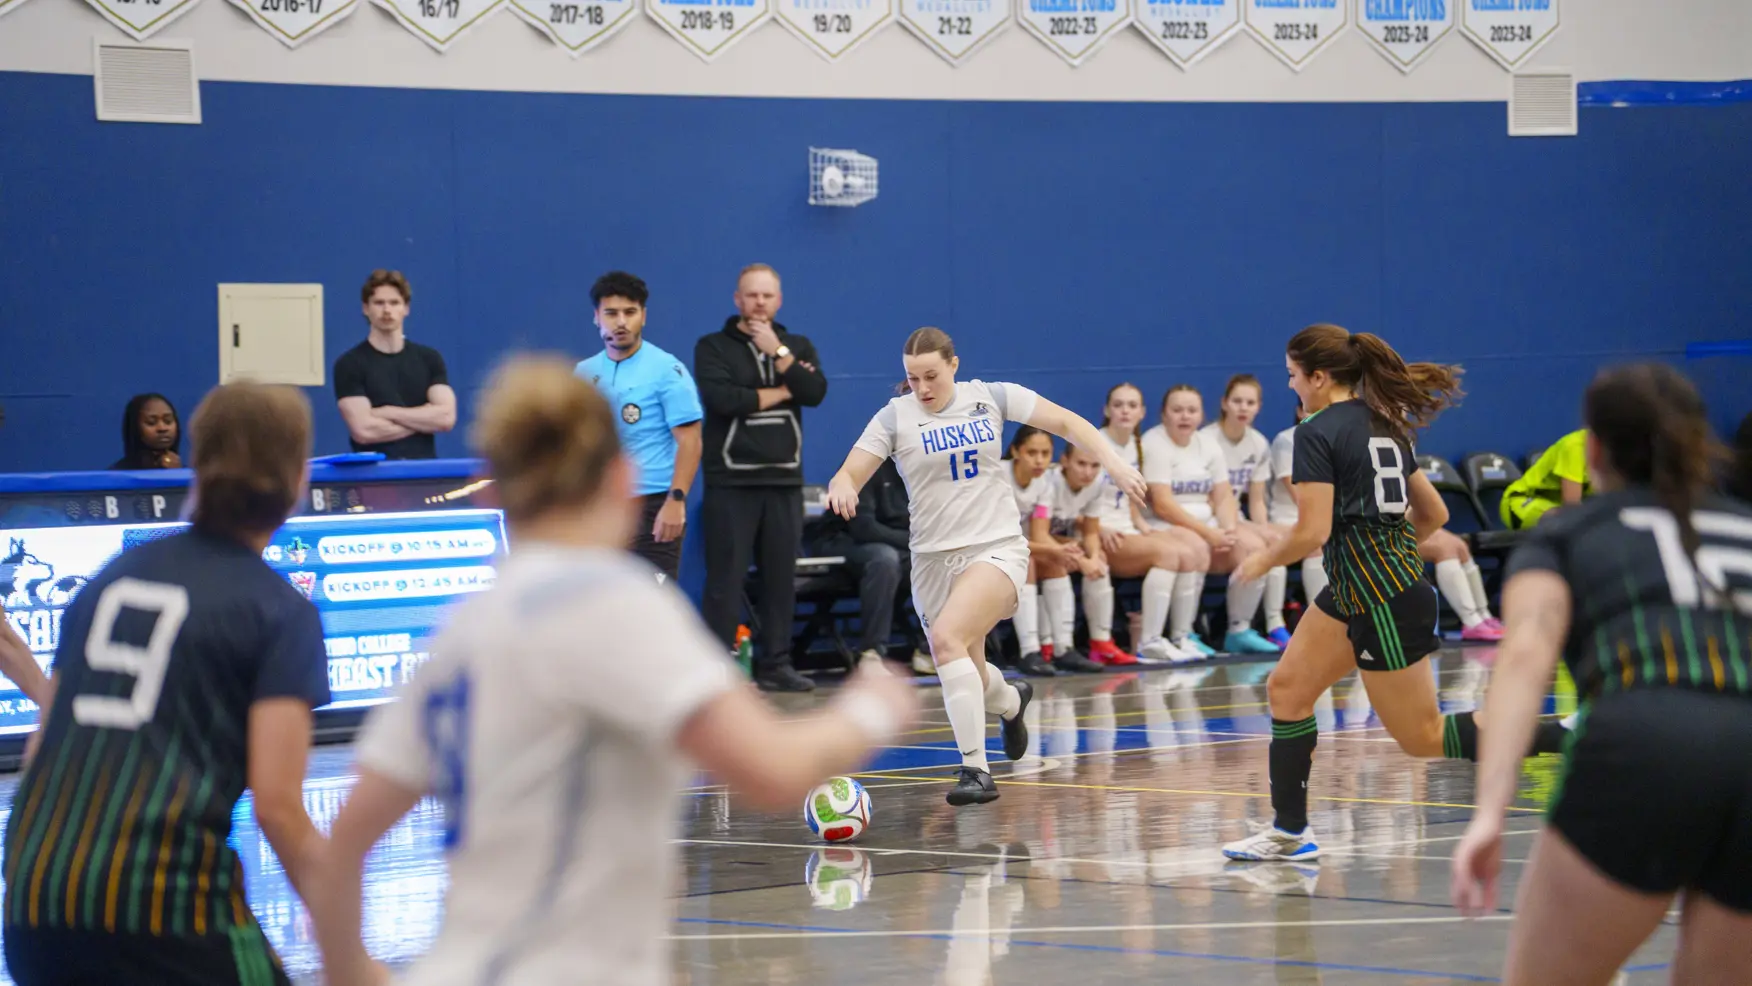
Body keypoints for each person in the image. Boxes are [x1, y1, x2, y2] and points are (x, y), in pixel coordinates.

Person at [306, 356, 917, 986]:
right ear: (621, 476)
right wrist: (871, 707)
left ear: (491, 488)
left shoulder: (463, 629)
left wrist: (357, 974)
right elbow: (772, 772)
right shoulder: (612, 601)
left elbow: (342, 845)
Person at [3, 382, 329, 986]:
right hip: (159, 910)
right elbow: (280, 812)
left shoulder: (109, 580)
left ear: (197, 467)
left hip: (33, 901)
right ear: (298, 477)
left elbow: (40, 751)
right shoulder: (280, 610)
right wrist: (347, 947)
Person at [1452, 364, 1752, 986]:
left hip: (1646, 744)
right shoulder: (1744, 530)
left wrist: (1490, 811)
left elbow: (1526, 655)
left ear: (1592, 449)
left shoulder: (1569, 529)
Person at [1222, 323, 1568, 862]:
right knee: (1287, 691)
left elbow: (1311, 533)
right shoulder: (1385, 424)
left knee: (1422, 737)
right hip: (1357, 591)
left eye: (1292, 376)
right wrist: (1393, 552)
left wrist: (1262, 559)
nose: (1290, 387)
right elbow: (1435, 514)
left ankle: (1564, 733)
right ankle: (1289, 833)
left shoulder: (1315, 433)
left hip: (1381, 598)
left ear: (1318, 376)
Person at [825, 327, 1148, 806]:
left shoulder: (992, 397)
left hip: (995, 547)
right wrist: (843, 484)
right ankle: (1011, 702)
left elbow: (1067, 423)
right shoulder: (895, 417)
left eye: (931, 375)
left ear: (954, 364)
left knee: (948, 639)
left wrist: (1115, 463)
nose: (923, 387)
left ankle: (975, 770)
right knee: (967, 671)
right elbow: (850, 468)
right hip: (933, 559)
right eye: (912, 378)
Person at [694, 264, 828, 692]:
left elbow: (815, 392)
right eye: (751, 296)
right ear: (737, 299)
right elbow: (723, 400)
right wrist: (784, 390)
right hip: (730, 482)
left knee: (779, 581)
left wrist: (779, 355)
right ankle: (718, 671)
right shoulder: (712, 347)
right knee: (725, 582)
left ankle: (776, 665)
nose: (759, 303)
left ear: (779, 299)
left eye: (767, 296)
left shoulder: (797, 345)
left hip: (784, 480)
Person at [573, 271, 703, 583]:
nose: (621, 322)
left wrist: (676, 501)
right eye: (611, 313)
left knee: (652, 604)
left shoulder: (667, 370)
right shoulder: (583, 373)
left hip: (654, 509)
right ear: (596, 317)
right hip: (601, 506)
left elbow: (691, 441)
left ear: (643, 316)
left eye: (630, 313)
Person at [1143, 385, 1279, 655]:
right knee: (1195, 548)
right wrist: (1208, 533)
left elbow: (1224, 495)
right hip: (1167, 525)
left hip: (1208, 526)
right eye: (1177, 410)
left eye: (1191, 410)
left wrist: (1228, 529)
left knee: (1255, 548)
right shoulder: (1153, 443)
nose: (1185, 416)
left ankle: (1239, 630)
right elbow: (1163, 504)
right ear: (1164, 414)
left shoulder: (1207, 444)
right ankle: (1184, 634)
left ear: (1201, 414)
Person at [1095, 384, 1203, 664]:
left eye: (1132, 405)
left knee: (1189, 552)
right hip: (1100, 533)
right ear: (1106, 410)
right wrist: (1098, 528)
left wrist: (1140, 523)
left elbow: (1129, 492)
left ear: (1142, 412)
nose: (1125, 411)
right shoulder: (1094, 442)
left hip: (1126, 528)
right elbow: (1076, 494)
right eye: (1118, 404)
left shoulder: (1135, 445)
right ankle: (1149, 641)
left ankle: (1182, 636)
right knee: (1168, 554)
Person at [1200, 375, 1292, 647]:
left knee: (1278, 541)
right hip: (1208, 516)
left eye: (1250, 402)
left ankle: (1274, 623)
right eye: (1237, 401)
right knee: (1260, 547)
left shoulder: (1258, 443)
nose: (1243, 408)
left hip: (1235, 516)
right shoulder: (1206, 439)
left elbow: (1256, 500)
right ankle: (1238, 627)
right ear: (1224, 403)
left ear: (1258, 407)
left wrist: (1263, 528)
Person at [1032, 442, 1138, 669]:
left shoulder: (1097, 484)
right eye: (1081, 464)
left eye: (1094, 466)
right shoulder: (1049, 483)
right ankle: (1049, 644)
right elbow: (1039, 534)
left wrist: (1092, 558)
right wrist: (1081, 560)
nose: (1088, 472)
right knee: (1061, 560)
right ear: (1065, 461)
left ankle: (1101, 642)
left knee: (1099, 562)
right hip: (1031, 539)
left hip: (1054, 539)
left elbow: (1090, 531)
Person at [333, 269, 456, 460]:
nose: (387, 310)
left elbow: (446, 418)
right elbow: (364, 430)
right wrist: (423, 419)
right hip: (373, 479)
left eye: (394, 302)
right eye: (379, 303)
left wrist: (388, 412)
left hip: (424, 476)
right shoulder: (349, 364)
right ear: (366, 308)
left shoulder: (429, 359)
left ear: (406, 308)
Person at [808, 457, 915, 675]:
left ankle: (929, 647)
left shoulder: (925, 468)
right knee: (883, 560)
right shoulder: (866, 463)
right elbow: (864, 528)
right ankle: (871, 654)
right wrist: (916, 541)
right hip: (841, 540)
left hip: (895, 544)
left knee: (941, 559)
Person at [1003, 427, 1089, 675]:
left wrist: (1066, 554)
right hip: (988, 544)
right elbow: (1002, 535)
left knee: (1055, 562)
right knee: (1027, 561)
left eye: (1045, 453)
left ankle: (1063, 648)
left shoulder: (1044, 482)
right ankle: (1029, 651)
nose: (1040, 460)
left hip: (1019, 544)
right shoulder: (999, 476)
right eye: (1032, 452)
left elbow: (1040, 534)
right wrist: (1058, 551)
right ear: (1016, 451)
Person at [1262, 402, 1329, 643]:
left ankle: (1323, 621)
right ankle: (1274, 623)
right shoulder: (1287, 440)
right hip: (1285, 519)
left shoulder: (1336, 440)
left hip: (1320, 519)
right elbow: (1299, 495)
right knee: (1308, 543)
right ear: (1300, 412)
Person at [1499, 428, 1589, 529]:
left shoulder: (1607, 452)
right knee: (1568, 521)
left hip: (1557, 505)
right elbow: (1572, 507)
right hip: (1522, 499)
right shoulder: (1574, 446)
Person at [110, 393, 182, 470]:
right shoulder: (117, 475)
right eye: (151, 422)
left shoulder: (192, 476)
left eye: (168, 421)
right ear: (135, 428)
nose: (162, 428)